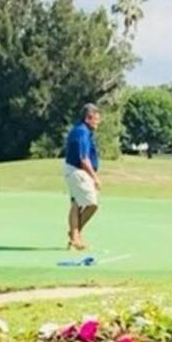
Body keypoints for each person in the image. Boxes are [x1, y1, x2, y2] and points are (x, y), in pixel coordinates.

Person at [63, 103, 102, 250]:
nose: (98, 122)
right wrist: (95, 178)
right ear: (88, 118)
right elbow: (83, 159)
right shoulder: (81, 132)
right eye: (95, 119)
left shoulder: (84, 131)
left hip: (76, 171)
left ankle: (75, 237)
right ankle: (75, 234)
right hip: (77, 171)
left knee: (77, 204)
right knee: (92, 204)